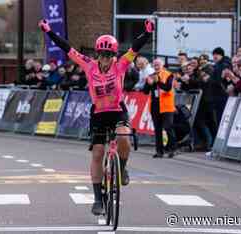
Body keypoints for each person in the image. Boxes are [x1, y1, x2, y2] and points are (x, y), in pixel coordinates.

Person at [39, 18, 154, 215]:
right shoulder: (89, 65)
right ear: (97, 54)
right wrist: (49, 32)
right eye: (102, 54)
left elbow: (134, 48)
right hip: (98, 113)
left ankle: (123, 168)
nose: (105, 58)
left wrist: (148, 33)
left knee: (124, 138)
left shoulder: (121, 65)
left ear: (114, 55)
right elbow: (68, 48)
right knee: (98, 153)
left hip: (117, 110)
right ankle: (98, 199)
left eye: (109, 54)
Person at [143, 58, 176, 158]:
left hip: (167, 105)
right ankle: (159, 151)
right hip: (155, 105)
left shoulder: (168, 74)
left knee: (168, 127)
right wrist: (148, 84)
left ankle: (171, 149)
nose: (156, 66)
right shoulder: (150, 76)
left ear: (162, 65)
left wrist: (158, 82)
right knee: (157, 129)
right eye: (155, 65)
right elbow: (145, 91)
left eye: (158, 64)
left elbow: (167, 88)